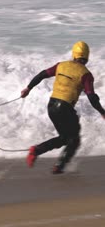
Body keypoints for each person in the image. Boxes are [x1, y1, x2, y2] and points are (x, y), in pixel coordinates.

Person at [20, 41, 105, 174]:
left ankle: (37, 151)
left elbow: (42, 74)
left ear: (74, 54)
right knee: (74, 139)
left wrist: (28, 88)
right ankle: (57, 166)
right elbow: (92, 97)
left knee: (65, 138)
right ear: (87, 56)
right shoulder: (86, 74)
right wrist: (102, 112)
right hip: (65, 108)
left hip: (52, 106)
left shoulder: (61, 65)